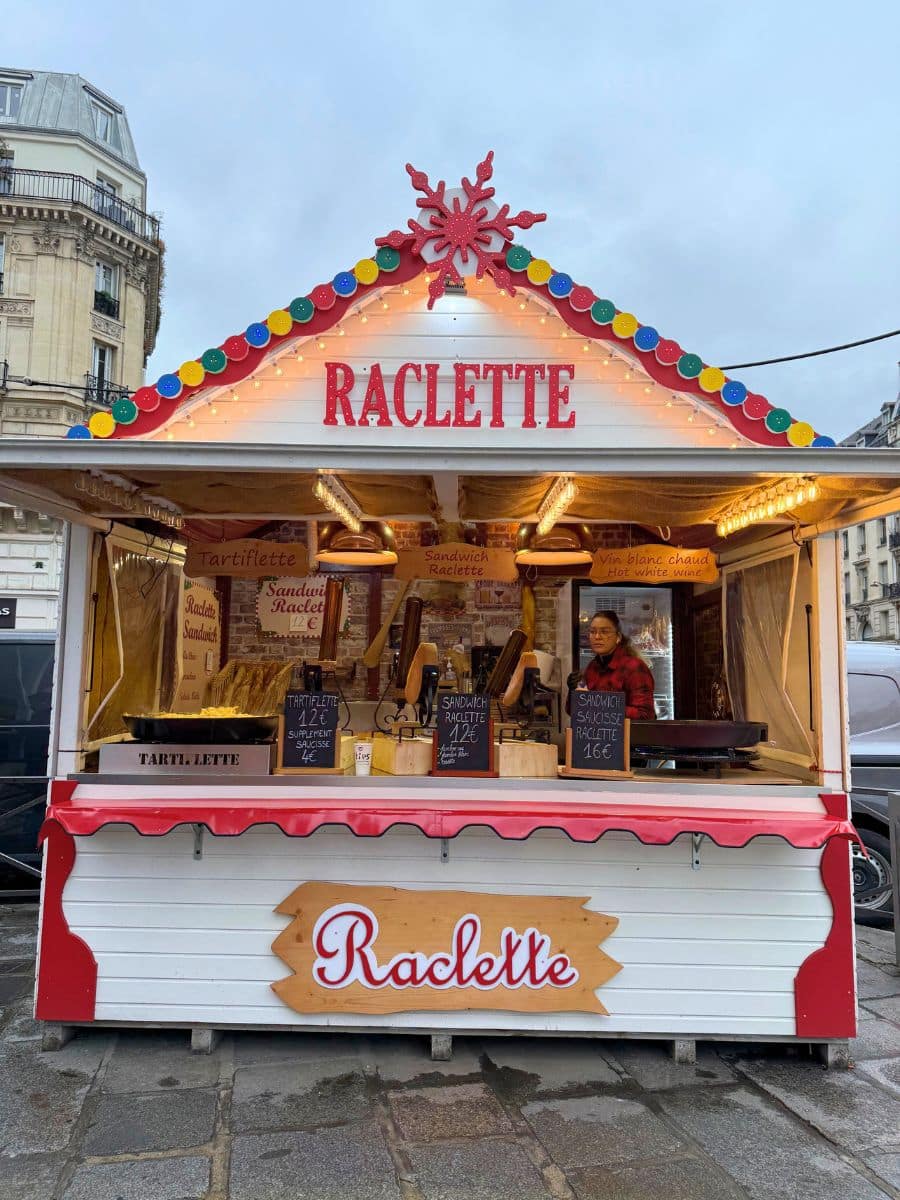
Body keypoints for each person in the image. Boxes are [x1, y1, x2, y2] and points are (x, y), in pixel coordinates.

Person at [568, 611, 656, 719]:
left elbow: (646, 716)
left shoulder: (634, 667)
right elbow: (576, 712)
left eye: (604, 632)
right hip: (596, 734)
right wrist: (573, 692)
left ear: (618, 637)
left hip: (628, 735)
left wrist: (599, 705)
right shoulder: (593, 666)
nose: (597, 636)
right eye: (592, 631)